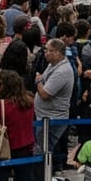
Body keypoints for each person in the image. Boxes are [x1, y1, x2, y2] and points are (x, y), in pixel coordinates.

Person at [34, 38, 73, 173]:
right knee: (43, 148)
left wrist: (38, 81)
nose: (46, 53)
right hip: (44, 116)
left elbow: (45, 94)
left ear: (58, 52)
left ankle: (43, 179)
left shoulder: (62, 71)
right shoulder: (52, 65)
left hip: (52, 118)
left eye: (49, 50)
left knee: (44, 150)